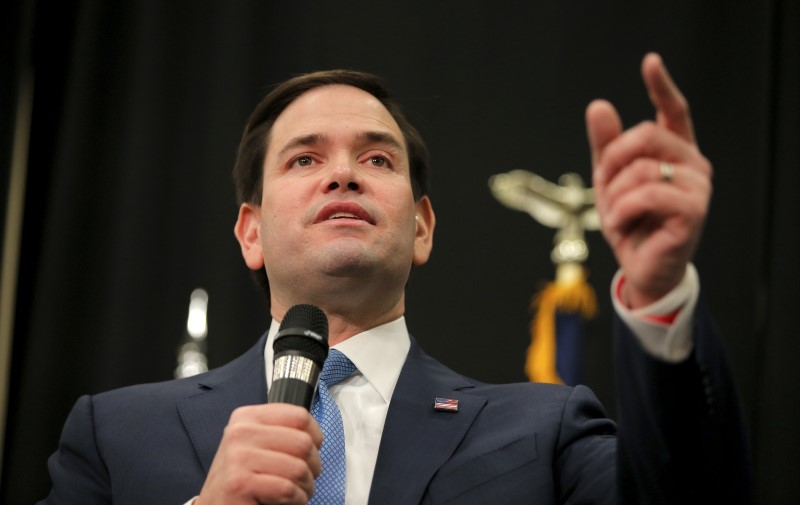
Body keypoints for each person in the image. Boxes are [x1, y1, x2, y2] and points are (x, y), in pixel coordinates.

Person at [40, 53, 751, 504]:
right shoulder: (116, 434)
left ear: (422, 227)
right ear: (250, 232)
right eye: (304, 159)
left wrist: (660, 292)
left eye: (378, 159)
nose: (344, 171)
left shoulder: (543, 432)